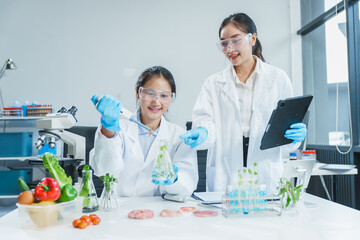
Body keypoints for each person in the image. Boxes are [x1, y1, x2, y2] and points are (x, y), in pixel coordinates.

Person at [180, 13, 307, 193]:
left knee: (265, 218)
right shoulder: (213, 83)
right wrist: (203, 131)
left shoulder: (278, 79)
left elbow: (284, 129)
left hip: (265, 167)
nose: (229, 49)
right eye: (224, 43)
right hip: (226, 168)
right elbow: (205, 121)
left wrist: (294, 135)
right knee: (225, 219)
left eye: (235, 40)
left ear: (252, 39)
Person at [89, 66, 198, 197]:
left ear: (171, 98)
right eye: (150, 93)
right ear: (138, 93)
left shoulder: (179, 136)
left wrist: (174, 180)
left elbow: (187, 185)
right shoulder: (118, 129)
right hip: (118, 211)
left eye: (164, 95)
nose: (156, 102)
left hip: (160, 212)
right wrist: (108, 130)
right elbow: (104, 170)